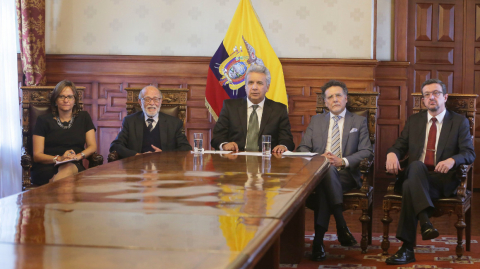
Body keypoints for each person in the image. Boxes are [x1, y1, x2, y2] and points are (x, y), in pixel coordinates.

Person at [385, 79, 475, 265]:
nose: (431, 97)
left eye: (435, 93)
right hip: (416, 173)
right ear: (424, 100)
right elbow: (399, 146)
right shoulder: (415, 121)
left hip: (441, 180)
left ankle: (407, 249)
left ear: (445, 97)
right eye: (427, 94)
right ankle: (425, 223)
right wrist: (392, 154)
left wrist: (452, 160)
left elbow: (469, 153)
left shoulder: (459, 122)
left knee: (410, 185)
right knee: (416, 167)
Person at [297, 80, 373, 261]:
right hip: (319, 173)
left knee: (328, 174)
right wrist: (319, 158)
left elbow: (366, 151)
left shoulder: (359, 121)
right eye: (330, 97)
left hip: (347, 175)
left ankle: (318, 242)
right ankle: (340, 224)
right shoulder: (316, 121)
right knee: (326, 170)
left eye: (338, 95)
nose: (335, 99)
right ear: (325, 103)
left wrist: (342, 161)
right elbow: (302, 149)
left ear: (346, 98)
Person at [211, 64, 294, 153]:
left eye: (259, 83)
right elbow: (217, 137)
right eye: (250, 83)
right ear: (245, 86)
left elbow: (287, 140)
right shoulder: (230, 107)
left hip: (267, 162)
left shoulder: (279, 110)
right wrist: (224, 144)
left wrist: (282, 146)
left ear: (268, 87)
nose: (254, 87)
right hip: (235, 160)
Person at [31, 80, 97, 185]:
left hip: (74, 164)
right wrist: (59, 158)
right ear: (55, 100)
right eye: (61, 96)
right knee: (66, 182)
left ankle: (50, 193)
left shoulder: (84, 117)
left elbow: (92, 146)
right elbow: (37, 155)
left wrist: (78, 156)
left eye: (70, 97)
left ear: (75, 100)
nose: (66, 100)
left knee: (68, 168)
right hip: (47, 167)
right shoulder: (43, 120)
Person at [110, 85, 191, 159]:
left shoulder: (174, 123)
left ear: (161, 101)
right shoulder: (130, 121)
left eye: (156, 99)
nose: (152, 103)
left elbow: (186, 148)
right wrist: (137, 155)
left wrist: (165, 154)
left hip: (164, 168)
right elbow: (115, 146)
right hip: (137, 168)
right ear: (140, 102)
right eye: (147, 99)